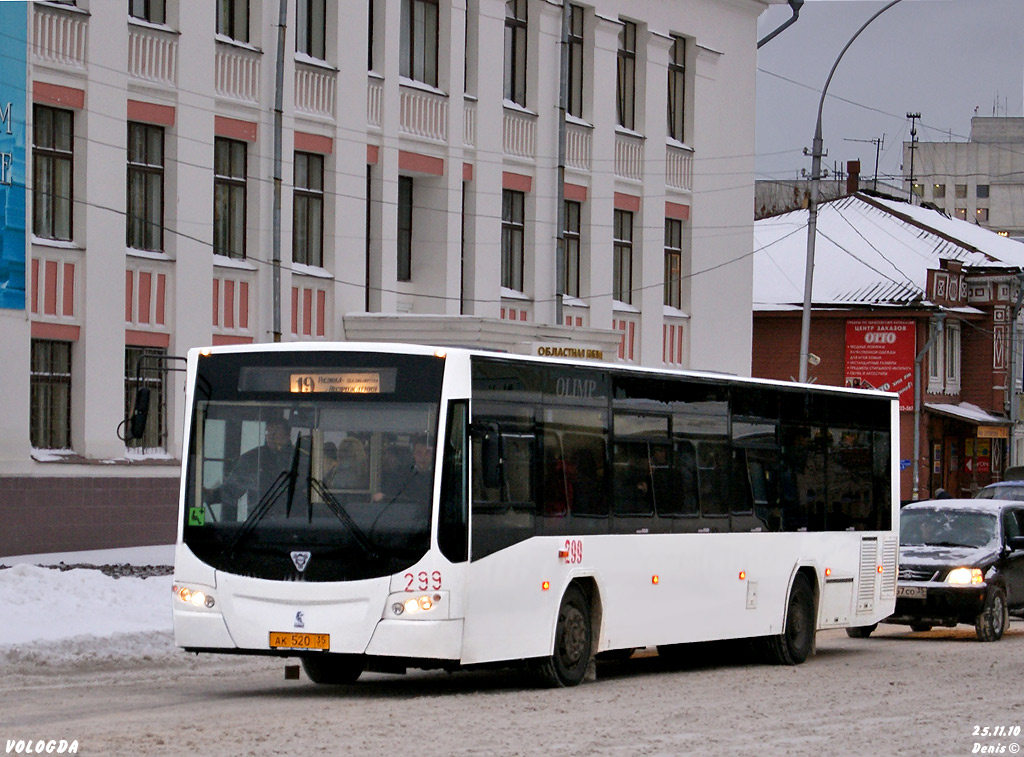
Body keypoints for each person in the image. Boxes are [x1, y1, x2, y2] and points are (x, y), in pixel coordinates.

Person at [207, 417, 297, 521]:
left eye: (276, 431)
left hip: (294, 525)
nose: (271, 436)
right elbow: (232, 489)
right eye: (268, 431)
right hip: (258, 526)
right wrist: (212, 495)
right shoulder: (253, 459)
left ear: (287, 434)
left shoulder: (301, 459)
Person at [373, 435, 434, 504]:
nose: (423, 457)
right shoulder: (401, 475)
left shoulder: (440, 476)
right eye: (418, 453)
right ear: (413, 454)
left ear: (434, 454)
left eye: (428, 452)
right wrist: (384, 497)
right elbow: (392, 496)